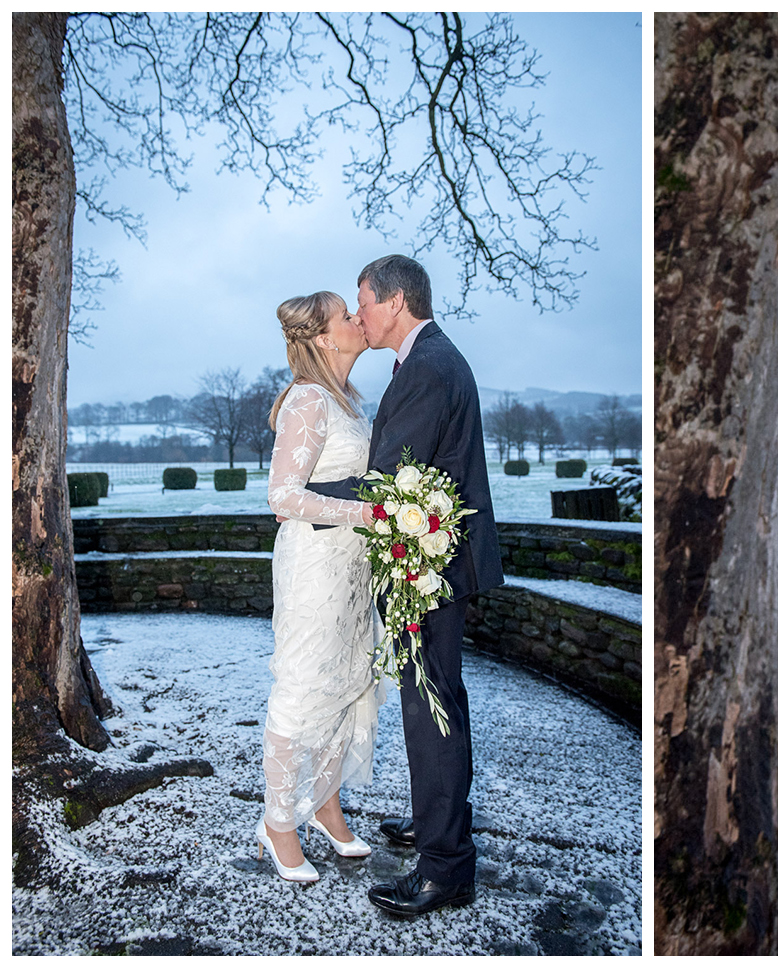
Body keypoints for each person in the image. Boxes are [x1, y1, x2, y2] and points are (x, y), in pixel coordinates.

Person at [305, 254, 503, 917]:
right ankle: (438, 826)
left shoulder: (427, 368)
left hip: (430, 570)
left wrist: (305, 495)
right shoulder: (429, 360)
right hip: (433, 562)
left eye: (364, 302)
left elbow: (390, 480)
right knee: (441, 700)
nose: (358, 315)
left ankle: (446, 870)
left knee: (430, 714)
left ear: (395, 304)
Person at [257, 291, 383, 882]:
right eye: (346, 316)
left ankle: (326, 808)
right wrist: (372, 515)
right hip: (314, 569)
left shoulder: (348, 403)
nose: (358, 321)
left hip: (353, 570)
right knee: (305, 687)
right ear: (323, 338)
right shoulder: (307, 400)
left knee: (349, 682)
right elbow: (283, 496)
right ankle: (279, 822)